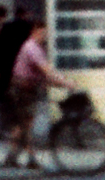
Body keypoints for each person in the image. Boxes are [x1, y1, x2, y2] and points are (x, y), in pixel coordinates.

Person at [4, 15, 69, 165]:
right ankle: (31, 158)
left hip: (28, 89)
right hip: (22, 89)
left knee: (22, 124)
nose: (45, 36)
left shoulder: (36, 48)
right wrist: (65, 83)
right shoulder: (31, 48)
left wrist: (60, 80)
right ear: (35, 31)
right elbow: (46, 70)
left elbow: (46, 71)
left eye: (46, 33)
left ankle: (11, 157)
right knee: (26, 124)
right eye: (43, 33)